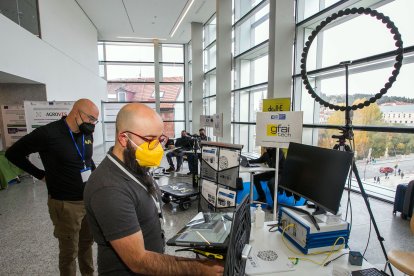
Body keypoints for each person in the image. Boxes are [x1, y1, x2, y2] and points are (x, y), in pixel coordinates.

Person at [83, 103, 223, 275]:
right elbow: (138, 261)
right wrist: (198, 268)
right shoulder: (109, 189)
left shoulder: (135, 165)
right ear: (124, 139)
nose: (157, 147)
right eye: (150, 140)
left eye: (160, 139)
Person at [5, 99, 98, 276]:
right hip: (65, 204)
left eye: (95, 121)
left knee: (86, 245)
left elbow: (86, 159)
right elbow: (13, 153)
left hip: (88, 200)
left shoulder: (87, 133)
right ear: (77, 112)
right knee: (69, 252)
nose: (92, 124)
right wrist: (40, 175)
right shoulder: (48, 133)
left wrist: (95, 176)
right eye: (91, 118)